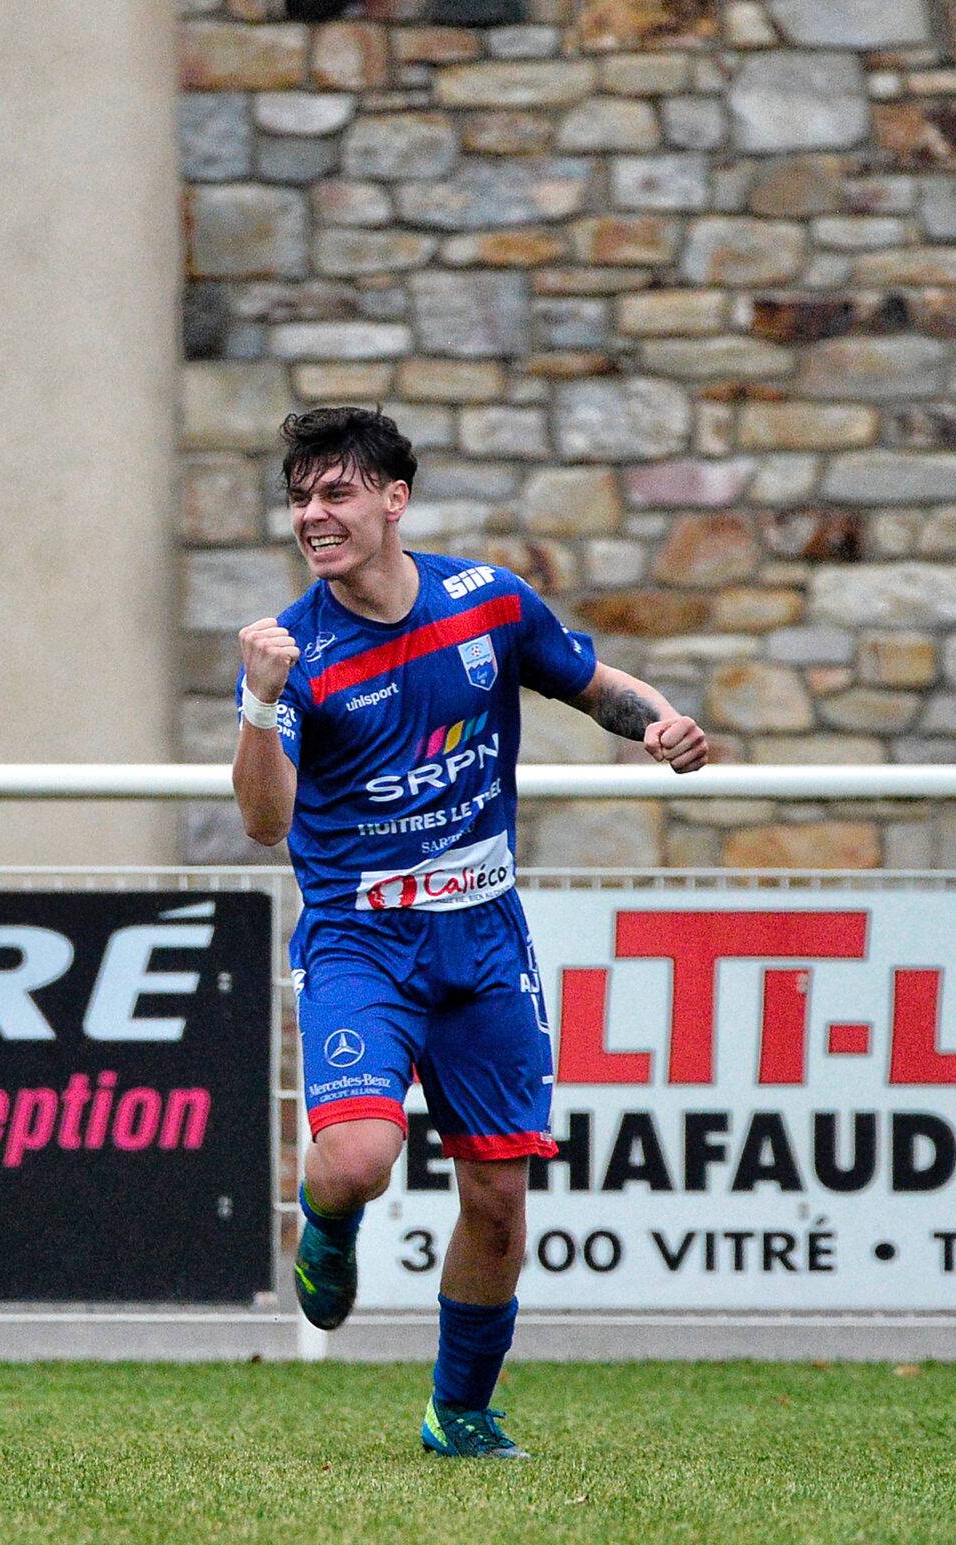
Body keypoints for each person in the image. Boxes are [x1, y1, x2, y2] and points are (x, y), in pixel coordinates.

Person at [232, 406, 708, 1458]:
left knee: (496, 1195)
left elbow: (597, 687)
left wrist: (663, 724)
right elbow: (265, 822)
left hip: (483, 936)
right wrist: (260, 707)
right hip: (361, 940)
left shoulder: (485, 601)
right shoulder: (292, 654)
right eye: (300, 498)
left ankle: (459, 1413)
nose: (313, 515)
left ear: (394, 499)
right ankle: (328, 1224)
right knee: (359, 1158)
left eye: (336, 492)